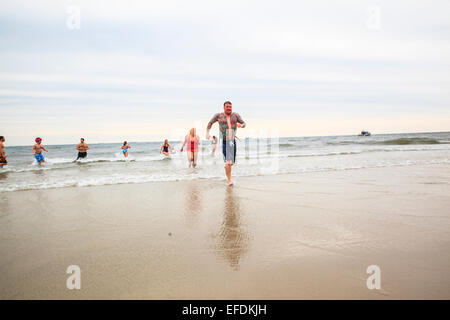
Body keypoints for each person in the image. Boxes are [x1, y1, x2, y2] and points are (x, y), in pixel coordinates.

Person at [206, 101, 246, 186]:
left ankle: (228, 168)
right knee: (228, 162)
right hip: (224, 140)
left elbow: (244, 123)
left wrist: (241, 125)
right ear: (224, 107)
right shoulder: (219, 116)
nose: (229, 108)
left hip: (232, 141)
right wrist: (207, 133)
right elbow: (210, 123)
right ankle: (229, 180)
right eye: (227, 107)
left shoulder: (235, 115)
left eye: (230, 107)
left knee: (231, 163)